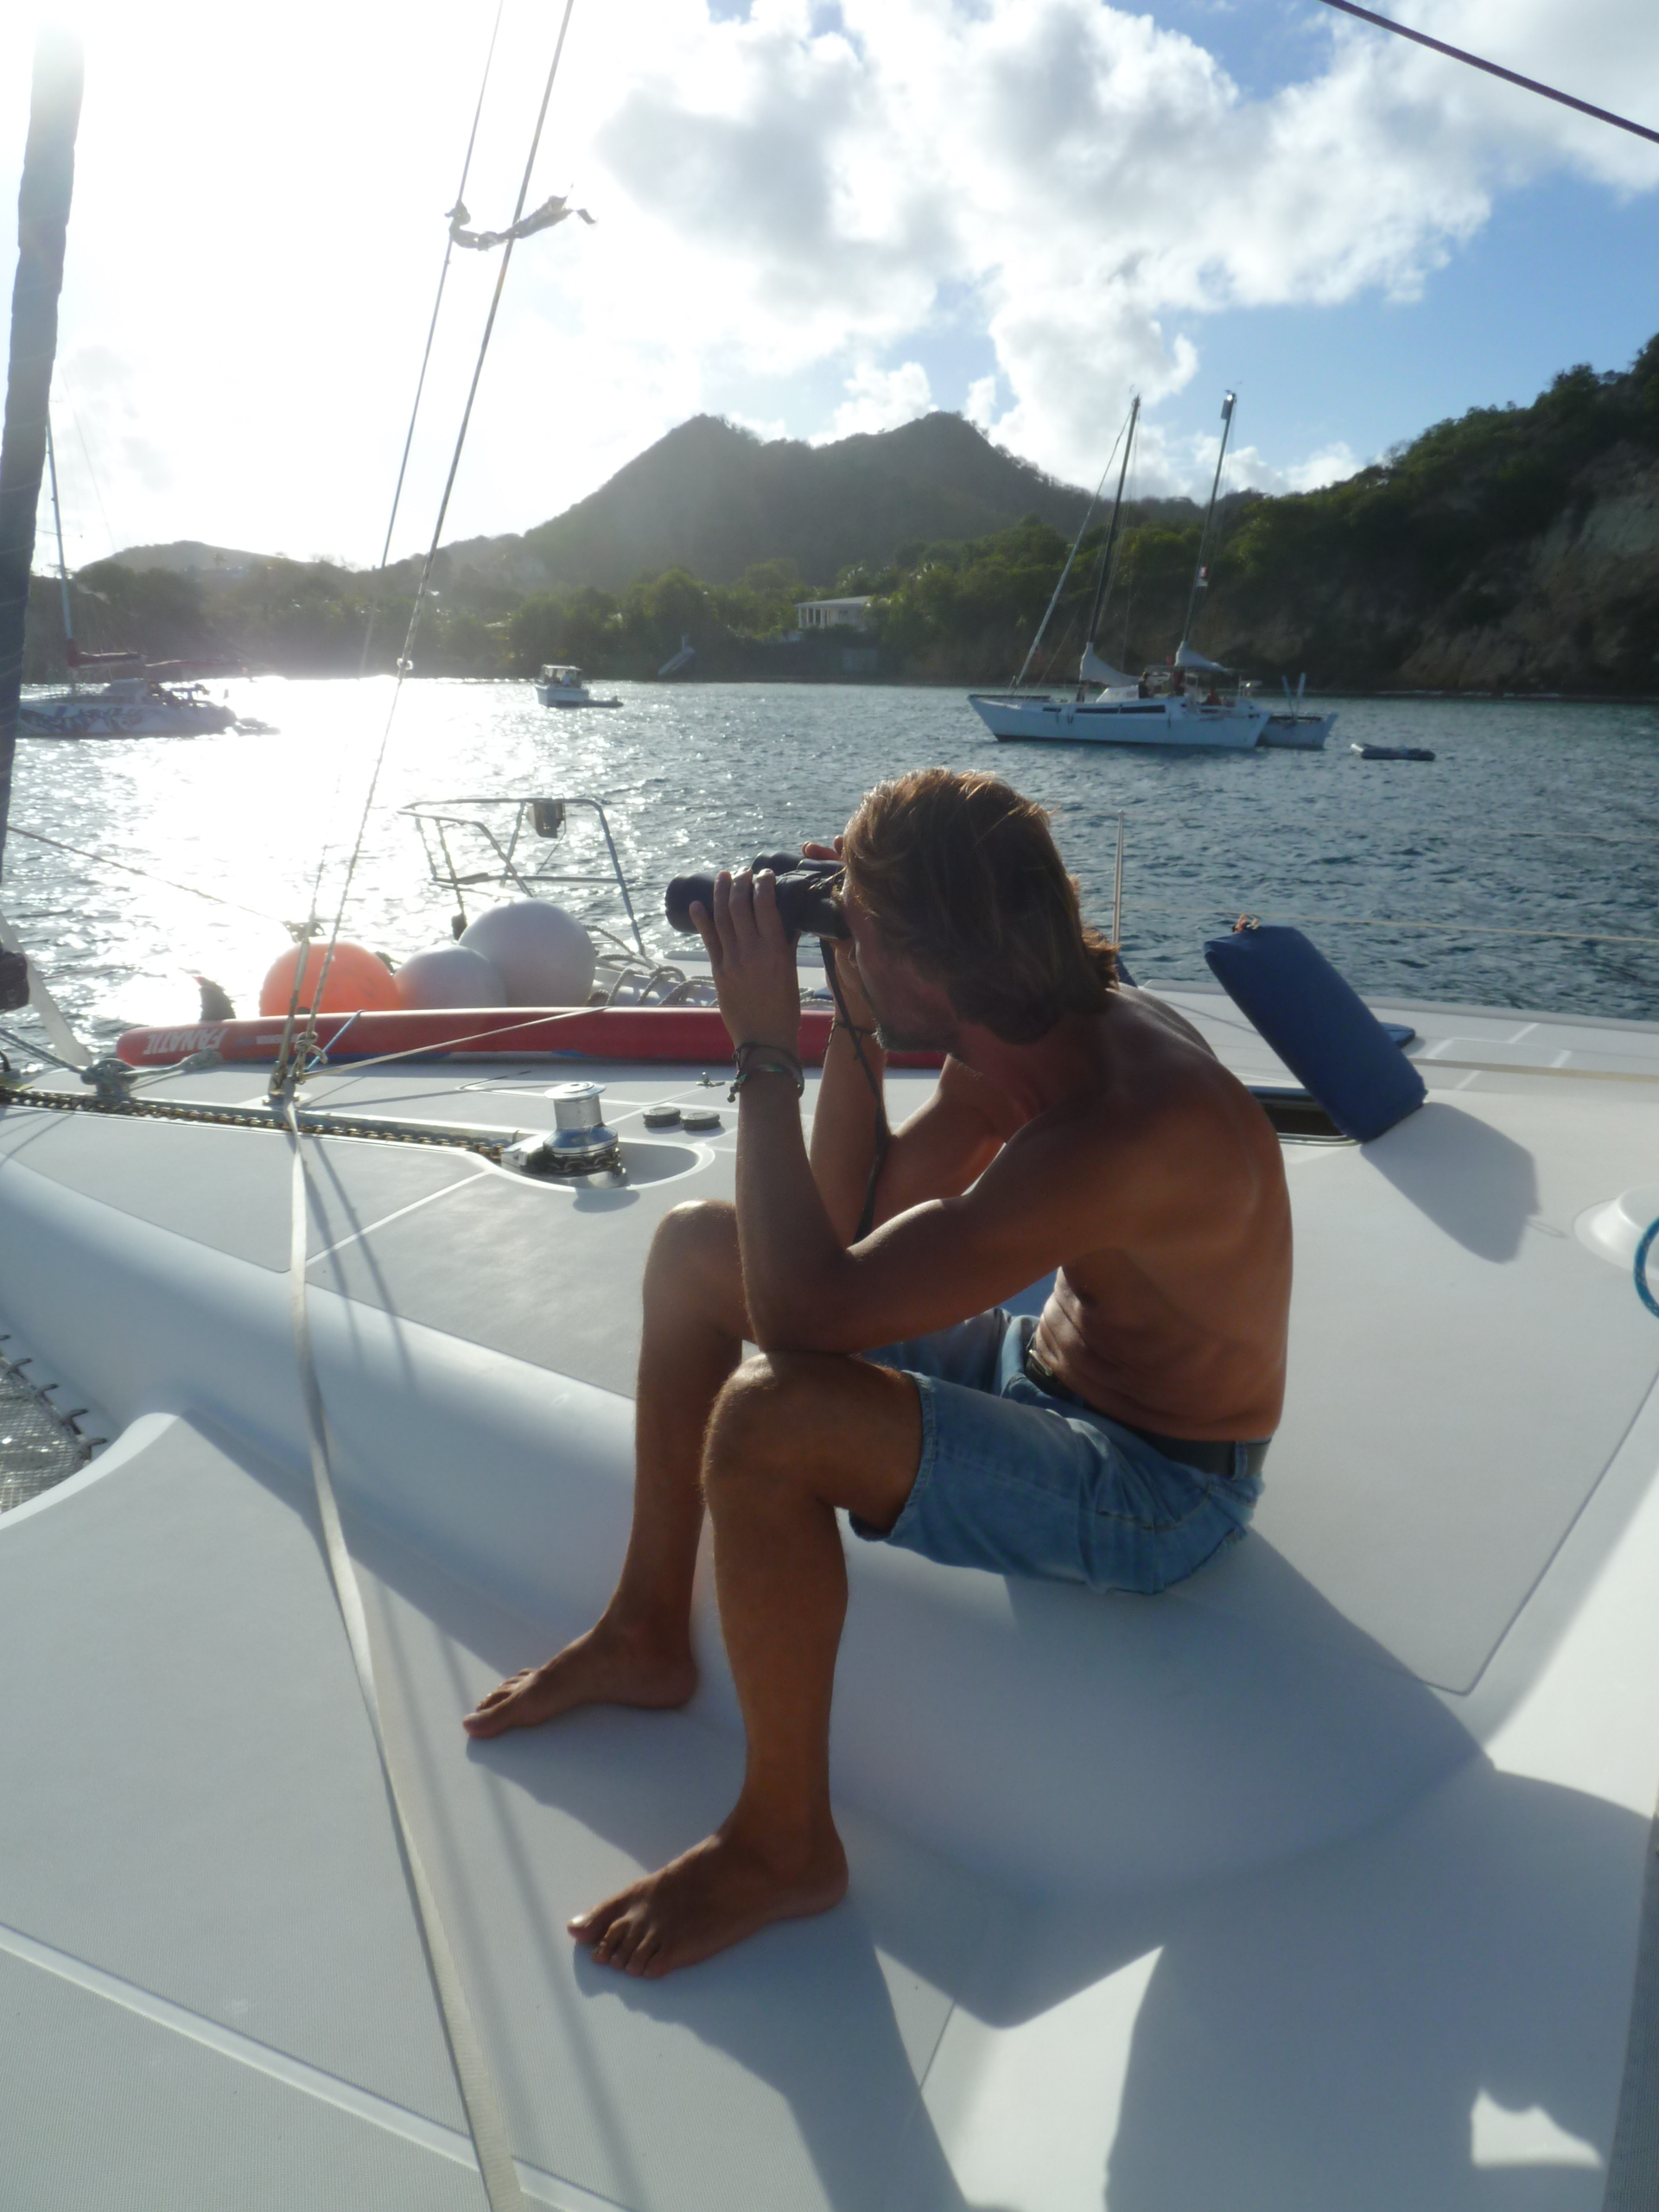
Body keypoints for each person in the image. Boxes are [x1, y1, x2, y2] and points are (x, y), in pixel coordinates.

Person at [465, 768, 1292, 1979]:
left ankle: (785, 1843)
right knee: (695, 1252)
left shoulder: (1125, 1126)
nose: (838, 931)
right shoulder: (1021, 1030)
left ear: (931, 959)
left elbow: (805, 1312)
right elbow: (853, 1214)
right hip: (1042, 1370)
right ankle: (646, 1628)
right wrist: (850, 1006)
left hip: (1157, 1481)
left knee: (771, 1420)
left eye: (856, 922)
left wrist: (763, 1049)